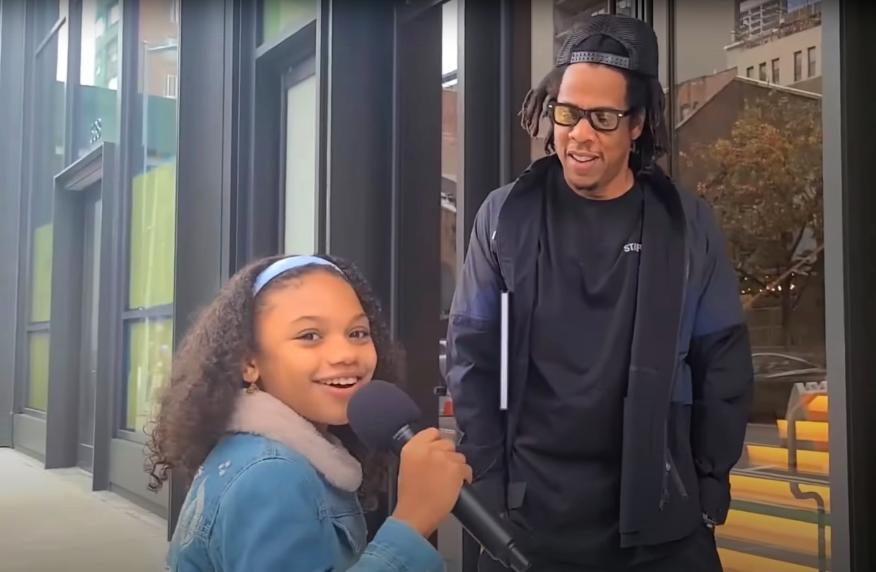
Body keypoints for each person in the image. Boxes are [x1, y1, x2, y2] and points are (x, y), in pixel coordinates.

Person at [446, 14, 753, 572]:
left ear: (637, 123)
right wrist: (486, 479)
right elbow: (473, 358)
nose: (579, 134)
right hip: (528, 521)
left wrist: (710, 480)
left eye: (604, 118)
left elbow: (723, 362)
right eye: (567, 113)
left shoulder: (686, 224)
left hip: (660, 521)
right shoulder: (504, 216)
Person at [148, 254, 472, 571]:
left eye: (357, 333)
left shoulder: (265, 452)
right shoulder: (271, 475)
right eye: (310, 336)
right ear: (249, 362)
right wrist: (413, 520)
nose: (345, 354)